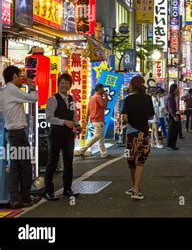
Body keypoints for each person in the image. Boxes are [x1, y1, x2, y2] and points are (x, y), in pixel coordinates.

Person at [0, 66, 41, 208]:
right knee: (25, 167)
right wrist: (31, 86)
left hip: (11, 134)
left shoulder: (4, 91)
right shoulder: (12, 89)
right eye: (19, 75)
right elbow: (33, 98)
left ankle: (15, 198)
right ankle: (26, 197)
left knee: (15, 167)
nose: (21, 78)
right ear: (14, 77)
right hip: (18, 135)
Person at [44, 73, 81, 201]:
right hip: (55, 133)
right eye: (62, 83)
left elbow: (73, 115)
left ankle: (67, 189)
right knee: (52, 163)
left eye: (66, 83)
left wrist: (77, 124)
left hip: (68, 134)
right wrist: (64, 122)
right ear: (58, 84)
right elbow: (49, 117)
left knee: (68, 162)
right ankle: (48, 191)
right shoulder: (53, 99)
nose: (64, 85)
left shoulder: (71, 99)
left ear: (70, 85)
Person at [121, 75, 154, 200]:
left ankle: (135, 188)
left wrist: (130, 118)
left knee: (130, 162)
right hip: (143, 134)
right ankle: (136, 189)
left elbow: (124, 116)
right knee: (140, 161)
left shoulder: (128, 99)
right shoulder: (148, 98)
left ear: (132, 86)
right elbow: (151, 116)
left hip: (129, 134)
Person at [75, 84, 110, 158]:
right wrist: (106, 98)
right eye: (103, 88)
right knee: (97, 136)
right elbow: (104, 106)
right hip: (98, 120)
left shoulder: (92, 97)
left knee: (101, 138)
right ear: (99, 89)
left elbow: (88, 110)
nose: (104, 90)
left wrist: (86, 120)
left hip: (94, 119)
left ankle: (104, 153)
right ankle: (82, 150)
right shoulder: (98, 97)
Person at [166, 84, 180, 150]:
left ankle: (171, 145)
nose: (178, 90)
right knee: (173, 131)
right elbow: (171, 108)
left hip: (172, 115)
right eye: (177, 88)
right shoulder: (171, 97)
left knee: (172, 130)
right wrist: (174, 116)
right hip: (172, 116)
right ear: (174, 89)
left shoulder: (172, 96)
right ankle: (171, 145)